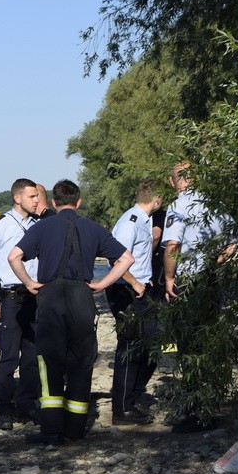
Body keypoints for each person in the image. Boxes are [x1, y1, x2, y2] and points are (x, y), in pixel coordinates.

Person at [8, 179, 134, 445]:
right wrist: (102, 284)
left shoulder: (42, 227)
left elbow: (13, 257)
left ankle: (51, 430)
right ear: (78, 202)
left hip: (51, 297)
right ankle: (75, 430)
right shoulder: (94, 229)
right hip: (82, 297)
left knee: (49, 362)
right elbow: (126, 259)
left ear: (53, 202)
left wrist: (29, 283)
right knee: (81, 362)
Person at [161, 161, 237, 433]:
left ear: (173, 182)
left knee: (188, 345)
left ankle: (193, 413)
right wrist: (216, 262)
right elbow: (233, 241)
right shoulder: (216, 204)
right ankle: (207, 407)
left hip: (188, 281)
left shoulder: (179, 206)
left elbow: (173, 244)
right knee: (206, 343)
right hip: (209, 280)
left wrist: (169, 279)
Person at [0, 178, 41, 431]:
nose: (37, 200)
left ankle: (27, 404)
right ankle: (3, 408)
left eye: (37, 196)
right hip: (10, 296)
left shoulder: (38, 225)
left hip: (34, 296)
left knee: (32, 355)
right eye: (32, 196)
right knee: (8, 356)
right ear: (18, 198)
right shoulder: (0, 226)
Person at [106, 179, 163, 425]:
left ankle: (135, 394)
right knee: (129, 348)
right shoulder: (130, 222)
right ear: (157, 198)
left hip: (143, 289)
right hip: (127, 291)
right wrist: (134, 282)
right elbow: (115, 258)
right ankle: (122, 409)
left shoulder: (145, 220)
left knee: (151, 343)